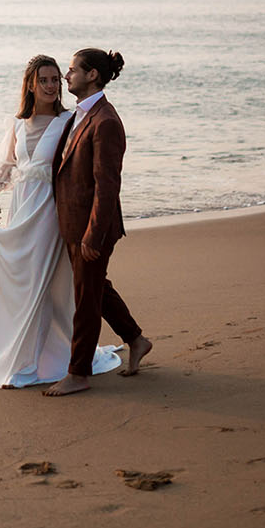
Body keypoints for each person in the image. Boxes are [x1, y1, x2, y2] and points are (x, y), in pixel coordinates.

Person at [0, 55, 122, 388]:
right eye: (45, 80)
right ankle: (17, 356)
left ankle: (28, 365)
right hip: (21, 209)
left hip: (53, 213)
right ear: (31, 85)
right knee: (21, 285)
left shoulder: (70, 121)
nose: (52, 85)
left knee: (42, 286)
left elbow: (83, 170)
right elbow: (3, 173)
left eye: (56, 79)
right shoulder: (17, 124)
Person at [43, 48, 153, 397]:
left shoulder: (105, 121)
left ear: (92, 75)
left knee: (85, 300)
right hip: (74, 224)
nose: (66, 76)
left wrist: (92, 234)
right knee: (95, 289)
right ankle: (136, 340)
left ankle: (78, 373)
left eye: (72, 70)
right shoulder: (79, 115)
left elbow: (108, 186)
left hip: (93, 227)